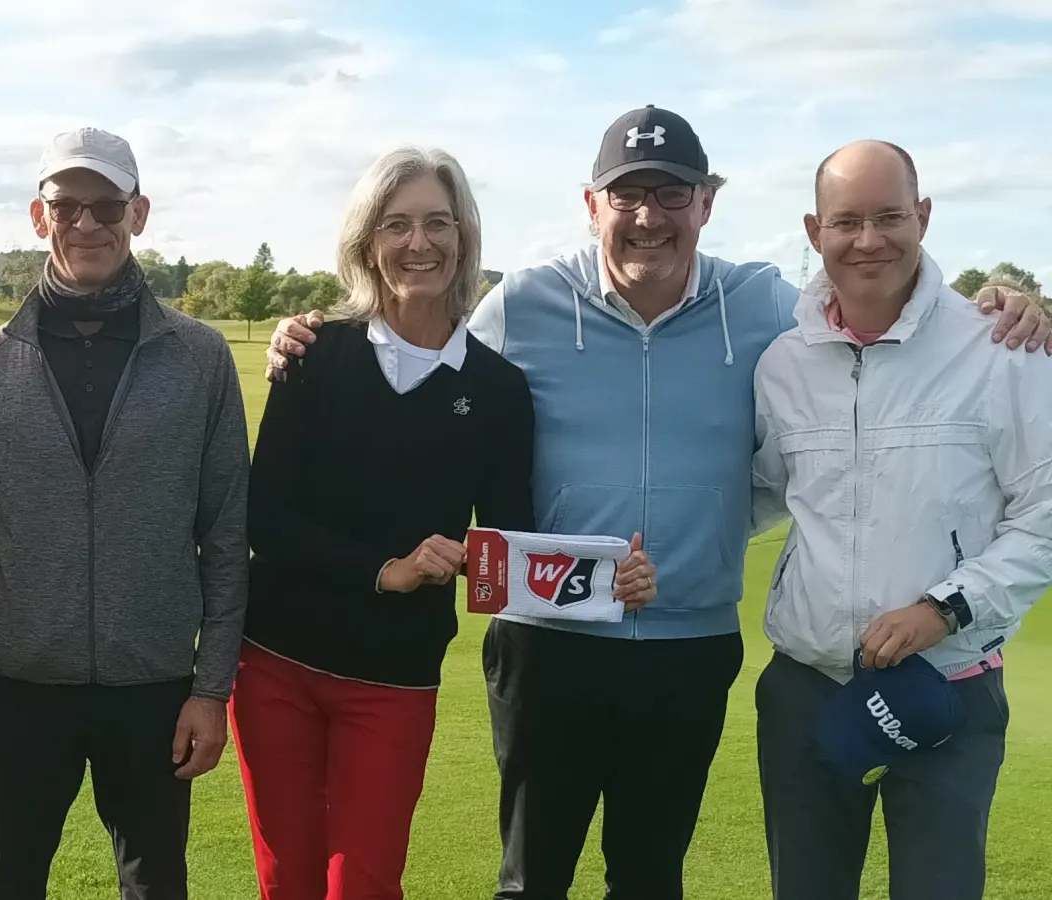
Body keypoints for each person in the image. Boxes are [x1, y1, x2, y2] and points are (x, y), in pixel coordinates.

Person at [262, 107, 1051, 900]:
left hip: (688, 647)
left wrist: (1001, 304)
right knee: (531, 880)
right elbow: (418, 353)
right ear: (591, 204)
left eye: (672, 194)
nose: (649, 216)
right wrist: (312, 336)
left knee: (649, 879)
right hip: (548, 648)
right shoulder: (524, 303)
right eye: (627, 194)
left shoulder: (764, 306)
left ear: (706, 203)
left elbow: (859, 303)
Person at [232, 144, 657, 900]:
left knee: (364, 883)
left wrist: (606, 581)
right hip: (274, 664)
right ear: (368, 240)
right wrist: (383, 571)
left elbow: (508, 543)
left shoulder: (498, 388)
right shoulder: (314, 353)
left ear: (463, 237)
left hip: (394, 676)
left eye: (438, 222)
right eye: (396, 224)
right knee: (286, 878)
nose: (418, 243)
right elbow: (265, 519)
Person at [0, 126, 250, 900]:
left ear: (138, 213)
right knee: (5, 886)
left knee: (156, 886)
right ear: (41, 217)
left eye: (106, 205)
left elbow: (227, 536)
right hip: (21, 685)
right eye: (67, 205)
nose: (87, 223)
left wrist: (211, 689)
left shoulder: (199, 359)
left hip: (154, 683)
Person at [750, 139, 1052, 900]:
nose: (868, 240)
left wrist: (943, 609)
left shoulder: (1003, 349)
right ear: (815, 229)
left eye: (889, 217)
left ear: (923, 216)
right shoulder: (783, 363)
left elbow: (1043, 518)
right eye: (847, 221)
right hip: (808, 685)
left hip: (947, 683)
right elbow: (758, 494)